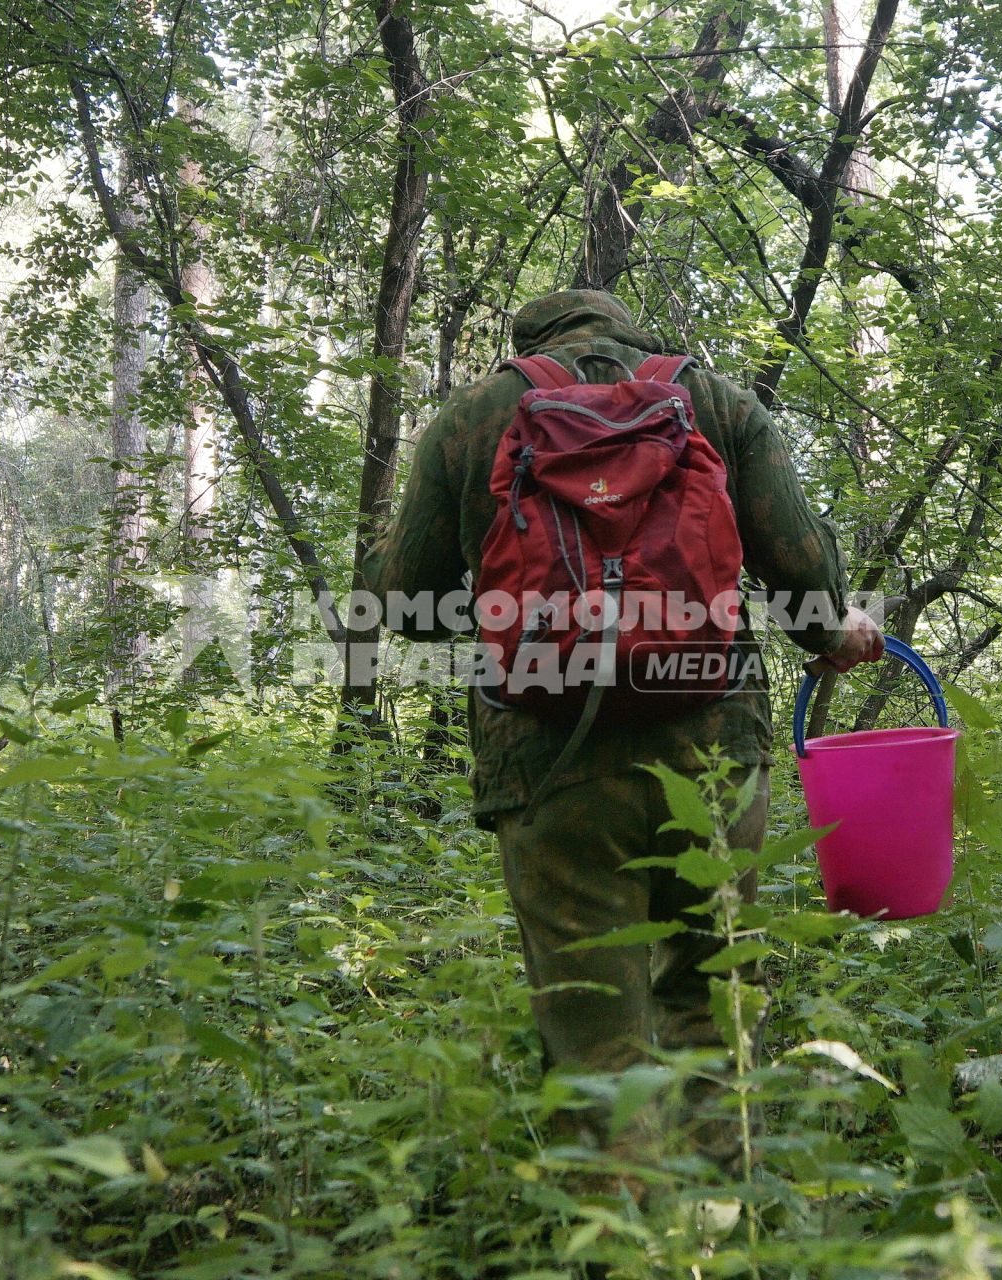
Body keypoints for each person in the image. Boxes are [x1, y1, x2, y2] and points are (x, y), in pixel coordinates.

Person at [363, 288, 883, 1174]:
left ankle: (621, 1242)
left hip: (549, 760)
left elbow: (403, 606)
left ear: (526, 342)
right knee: (712, 1007)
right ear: (632, 332)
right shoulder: (715, 402)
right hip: (714, 746)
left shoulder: (475, 417)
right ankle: (723, 1229)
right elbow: (802, 577)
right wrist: (839, 634)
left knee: (594, 1039)